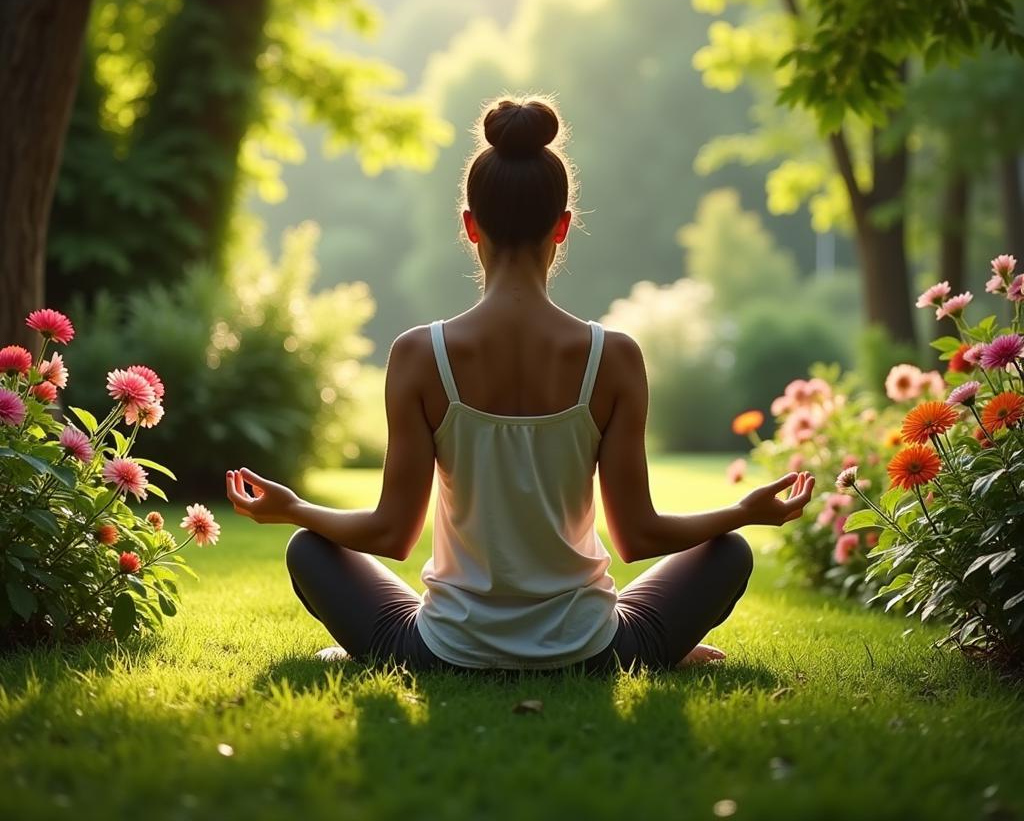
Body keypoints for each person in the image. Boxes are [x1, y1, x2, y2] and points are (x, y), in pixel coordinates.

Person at [225, 96, 815, 675]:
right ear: (562, 228)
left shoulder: (417, 355)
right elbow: (638, 534)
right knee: (729, 553)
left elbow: (390, 533)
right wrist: (742, 511)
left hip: (443, 649)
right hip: (594, 648)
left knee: (307, 548)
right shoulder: (613, 357)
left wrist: (295, 508)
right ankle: (658, 649)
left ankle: (380, 652)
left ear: (468, 226)